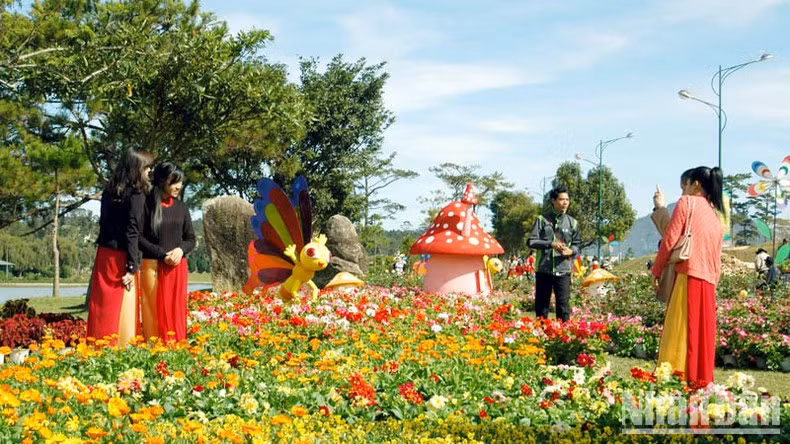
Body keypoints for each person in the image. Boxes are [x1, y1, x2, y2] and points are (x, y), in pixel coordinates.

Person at [651, 166, 725, 388]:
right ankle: (699, 380)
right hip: (709, 282)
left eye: (686, 185)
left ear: (696, 185)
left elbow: (670, 240)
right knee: (701, 336)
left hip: (688, 277)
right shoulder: (716, 216)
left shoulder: (687, 203)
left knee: (679, 332)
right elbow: (717, 257)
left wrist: (656, 270)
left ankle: (675, 379)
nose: (683, 191)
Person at [87, 149, 153, 347]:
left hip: (104, 253)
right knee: (122, 305)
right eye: (147, 167)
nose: (149, 171)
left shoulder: (109, 190)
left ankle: (96, 347)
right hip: (122, 256)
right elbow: (132, 231)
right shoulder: (136, 193)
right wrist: (133, 266)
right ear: (137, 168)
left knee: (102, 305)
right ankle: (121, 349)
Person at [139, 163, 196, 342]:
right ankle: (155, 350)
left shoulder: (181, 208)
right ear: (163, 181)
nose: (178, 186)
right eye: (174, 182)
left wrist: (180, 250)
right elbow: (138, 237)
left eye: (180, 182)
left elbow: (191, 239)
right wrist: (161, 254)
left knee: (175, 311)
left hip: (177, 268)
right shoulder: (146, 204)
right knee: (154, 312)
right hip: (152, 267)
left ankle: (177, 348)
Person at [527, 185, 581, 322]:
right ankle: (540, 335)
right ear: (553, 200)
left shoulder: (573, 223)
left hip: (563, 271)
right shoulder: (541, 220)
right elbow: (531, 242)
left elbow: (577, 244)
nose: (565, 203)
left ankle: (562, 338)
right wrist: (550, 244)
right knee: (542, 307)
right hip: (543, 271)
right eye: (561, 199)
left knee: (563, 307)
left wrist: (571, 251)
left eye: (567, 200)